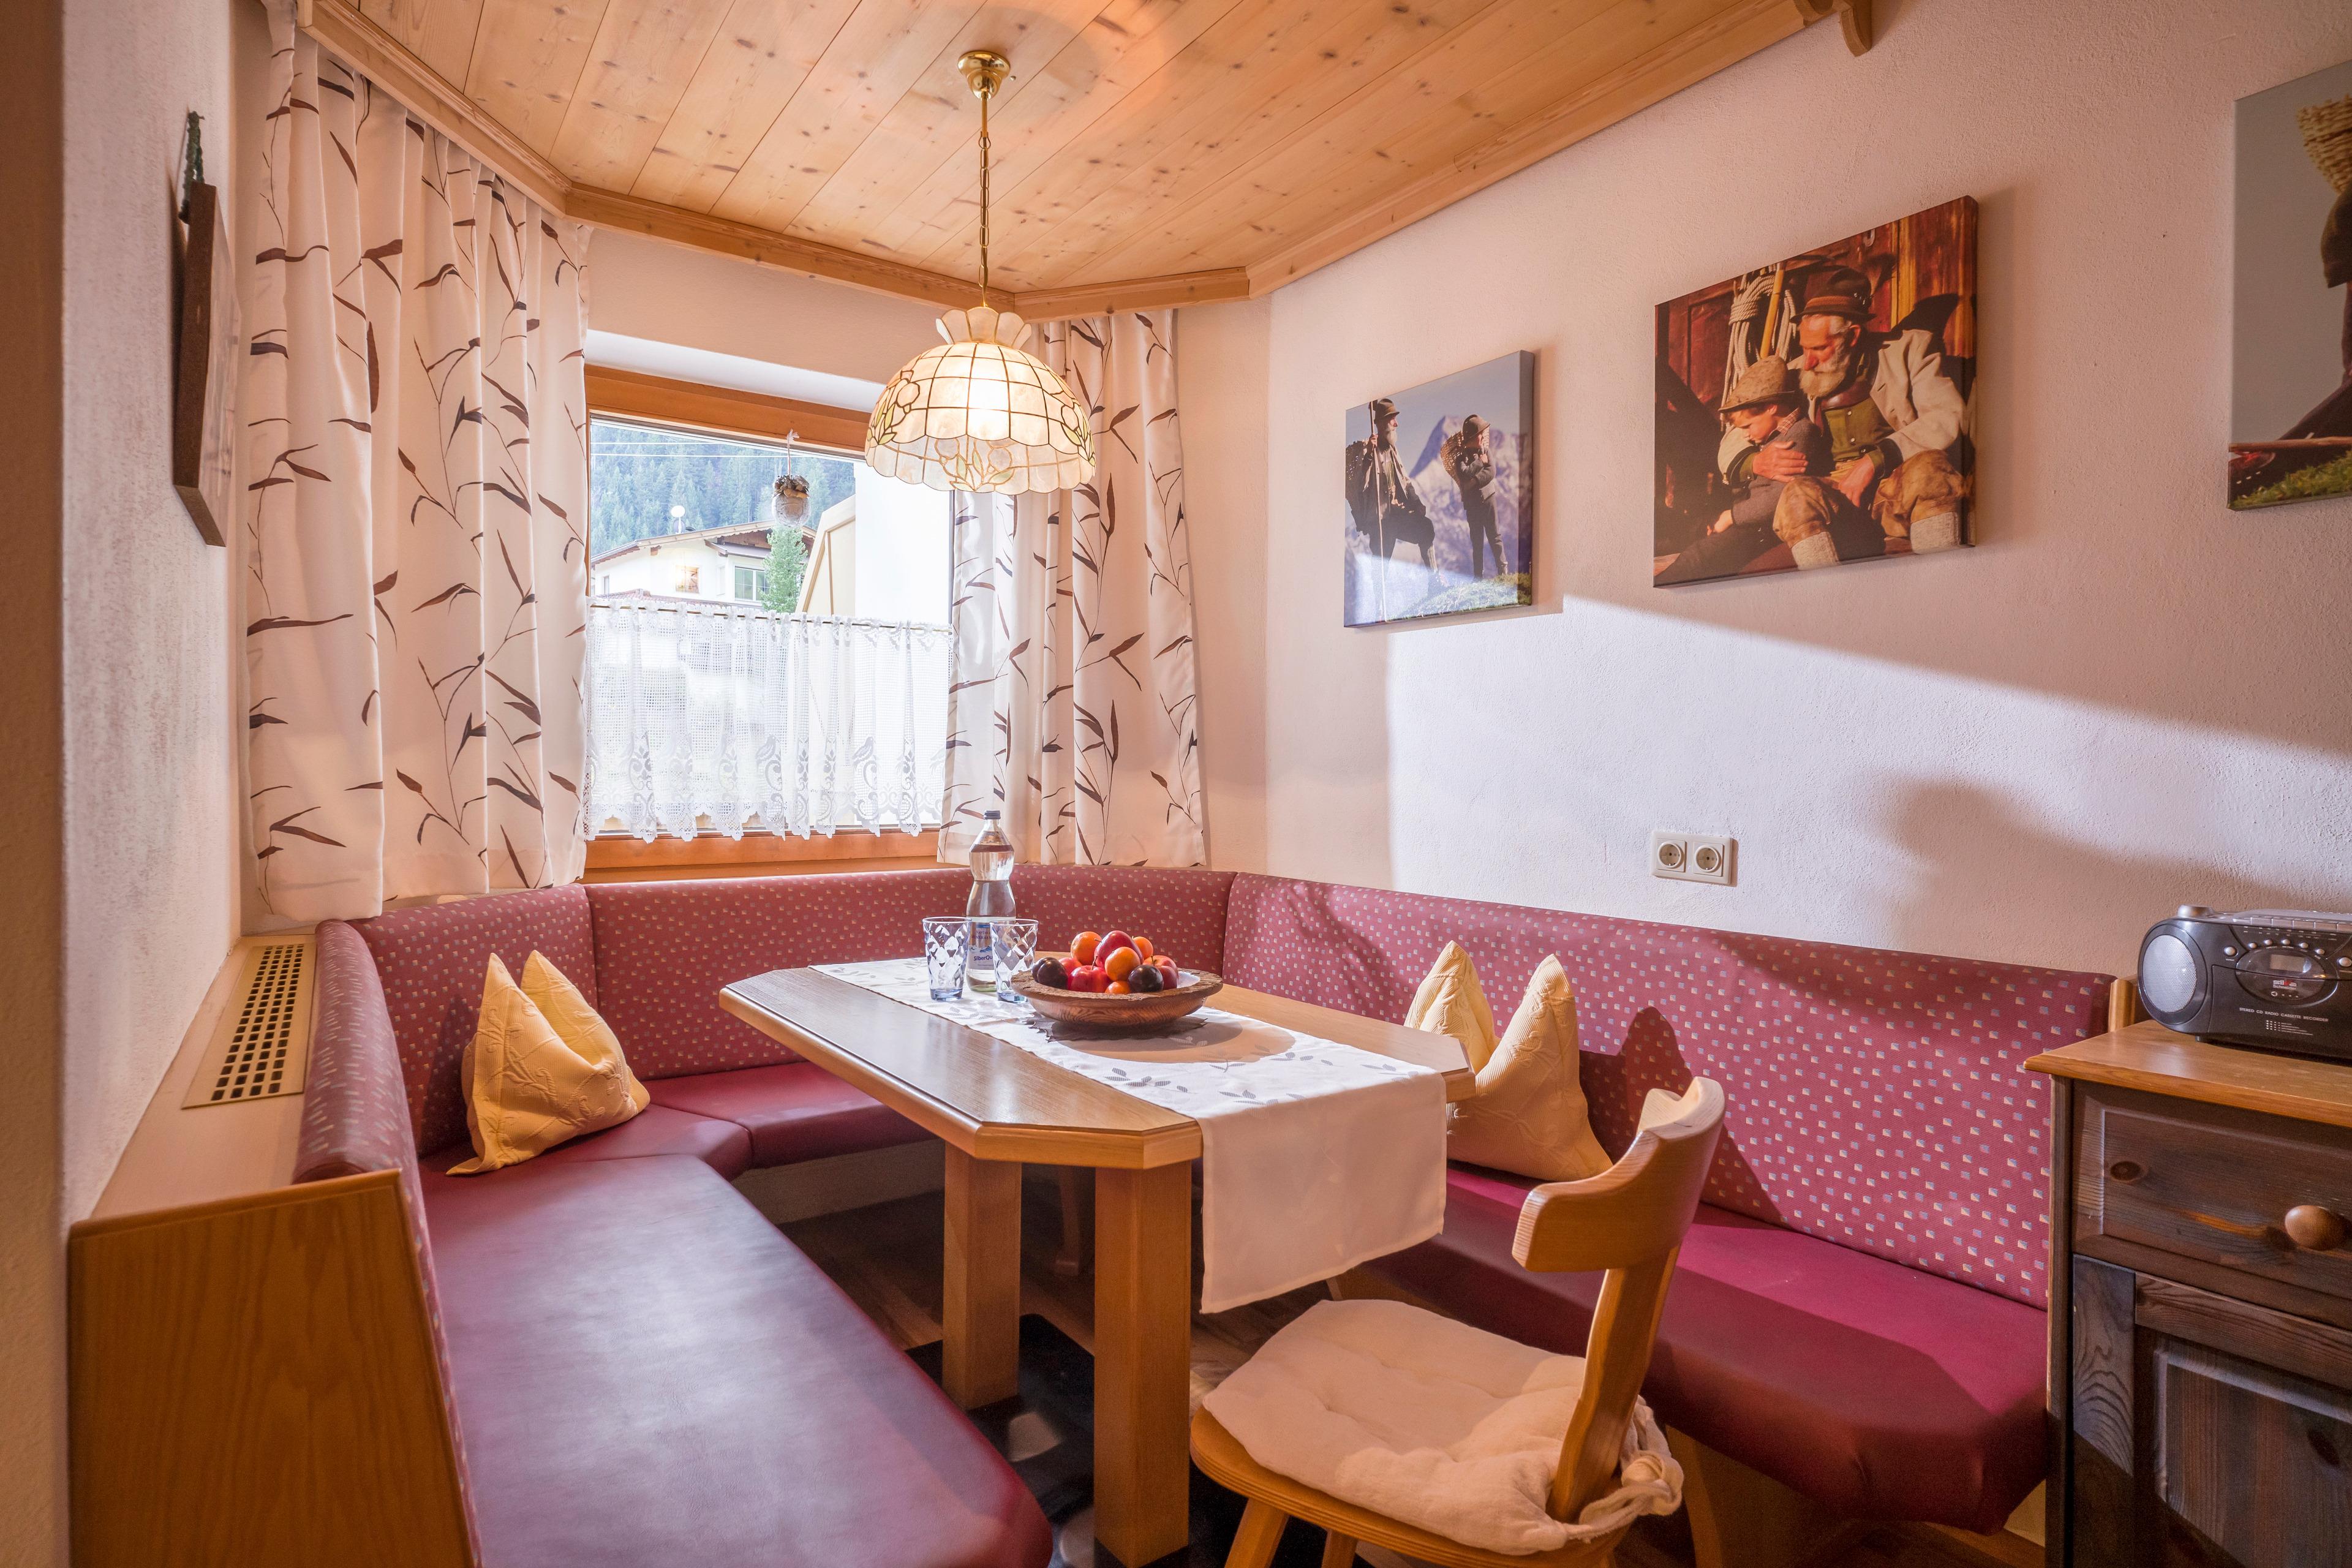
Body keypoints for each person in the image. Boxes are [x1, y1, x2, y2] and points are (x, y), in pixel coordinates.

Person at [1748, 266, 1970, 562]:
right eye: (1804, 348)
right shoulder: (1795, 370)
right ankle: (1825, 588)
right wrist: (1754, 461)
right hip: (1836, 496)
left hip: (1899, 480)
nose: (1808, 361)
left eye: (1820, 348)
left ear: (1852, 336)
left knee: (1931, 469)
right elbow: (1735, 429)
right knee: (1797, 497)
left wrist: (1875, 460)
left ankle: (1943, 573)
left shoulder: (1909, 350)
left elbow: (1947, 415)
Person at [1659, 357, 1829, 582]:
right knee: (1685, 537)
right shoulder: (1771, 436)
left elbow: (1780, 497)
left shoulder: (1800, 434)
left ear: (1771, 407)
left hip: (1762, 529)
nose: (1746, 435)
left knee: (1698, 558)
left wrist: (1730, 517)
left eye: (1748, 427)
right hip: (1748, 521)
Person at [1344, 398, 1434, 567]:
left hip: (1399, 514)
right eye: (1393, 419)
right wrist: (1369, 455)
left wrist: (1416, 502)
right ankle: (1379, 585)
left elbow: (1406, 481)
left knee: (1426, 528)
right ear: (1382, 423)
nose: (1396, 424)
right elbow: (1361, 486)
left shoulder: (1393, 450)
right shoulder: (1369, 450)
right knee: (1381, 561)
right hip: (1381, 520)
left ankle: (1434, 578)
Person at [1441, 414, 1506, 576]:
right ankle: (1478, 575)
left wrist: (1473, 482)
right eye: (1480, 434)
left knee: (1495, 535)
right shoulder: (1461, 459)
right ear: (1472, 437)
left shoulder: (1486, 452)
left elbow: (1491, 472)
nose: (1483, 437)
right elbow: (1464, 474)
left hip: (1489, 499)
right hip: (1473, 505)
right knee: (1477, 541)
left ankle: (1502, 569)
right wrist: (1480, 463)